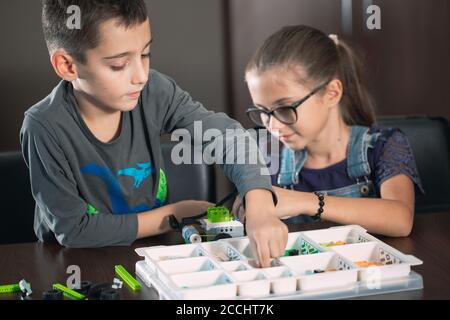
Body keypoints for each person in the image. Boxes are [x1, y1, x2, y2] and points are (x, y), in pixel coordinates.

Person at [20, 0, 287, 265]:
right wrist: (174, 214)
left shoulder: (153, 91)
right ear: (67, 65)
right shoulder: (43, 127)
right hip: (75, 263)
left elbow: (229, 137)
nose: (141, 75)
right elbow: (76, 230)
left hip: (153, 255)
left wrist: (260, 205)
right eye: (119, 65)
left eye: (145, 54)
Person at [233, 25, 424, 237]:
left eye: (285, 109)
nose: (274, 126)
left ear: (332, 93)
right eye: (263, 111)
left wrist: (304, 202)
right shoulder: (267, 158)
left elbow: (400, 220)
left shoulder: (384, 146)